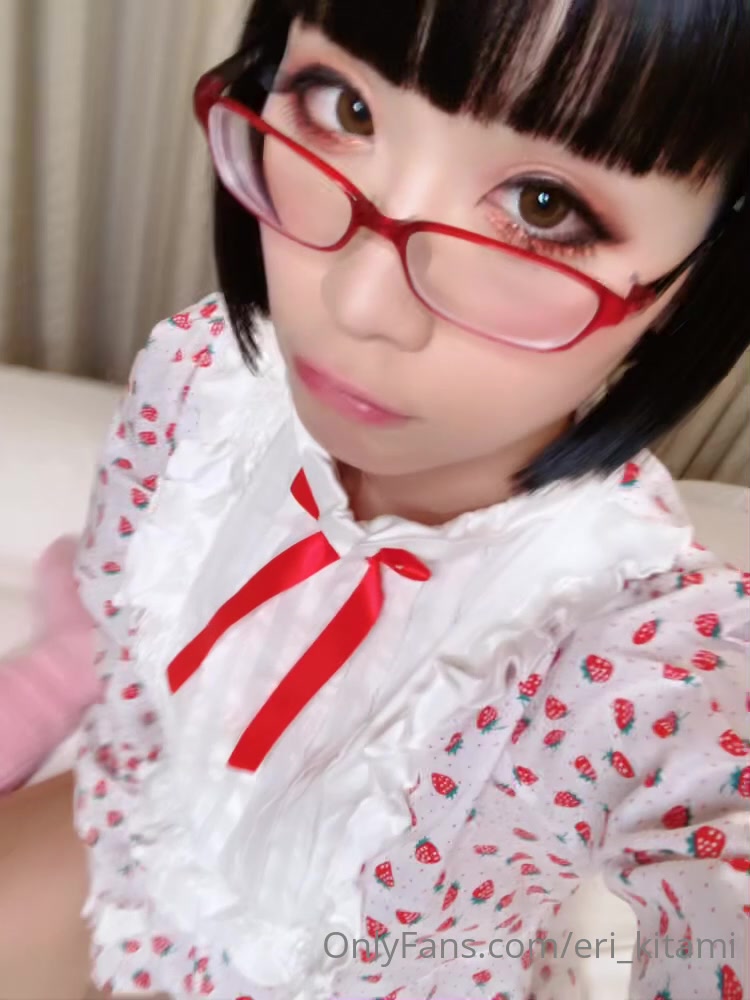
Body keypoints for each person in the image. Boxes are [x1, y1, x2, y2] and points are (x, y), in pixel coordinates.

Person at [1, 1, 749, 998]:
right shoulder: (203, 382)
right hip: (134, 844)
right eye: (346, 108)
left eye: (541, 207)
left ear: (700, 276)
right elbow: (121, 640)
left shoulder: (643, 649)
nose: (356, 304)